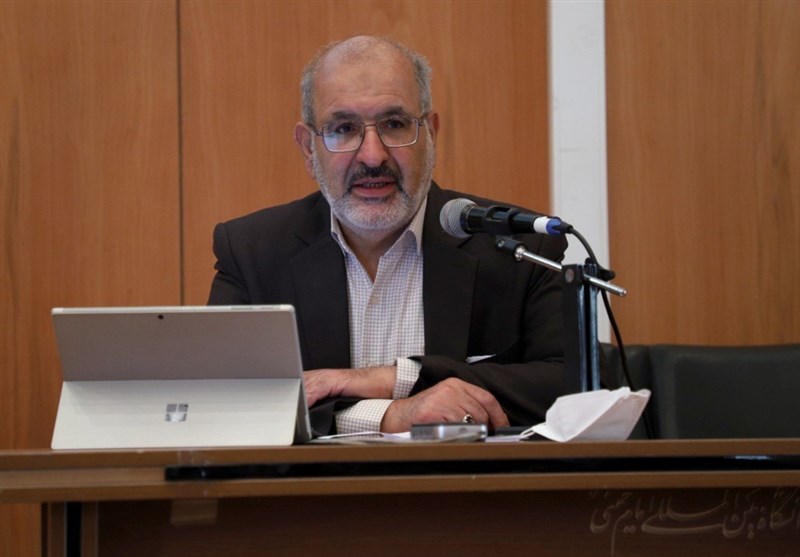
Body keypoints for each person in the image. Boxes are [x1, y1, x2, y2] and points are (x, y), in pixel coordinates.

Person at [208, 35, 568, 436]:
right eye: (344, 128)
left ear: (431, 133)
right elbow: (220, 404)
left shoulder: (519, 249)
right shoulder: (252, 253)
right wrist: (391, 416)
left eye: (394, 125)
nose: (373, 155)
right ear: (309, 148)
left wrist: (396, 377)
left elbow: (578, 387)